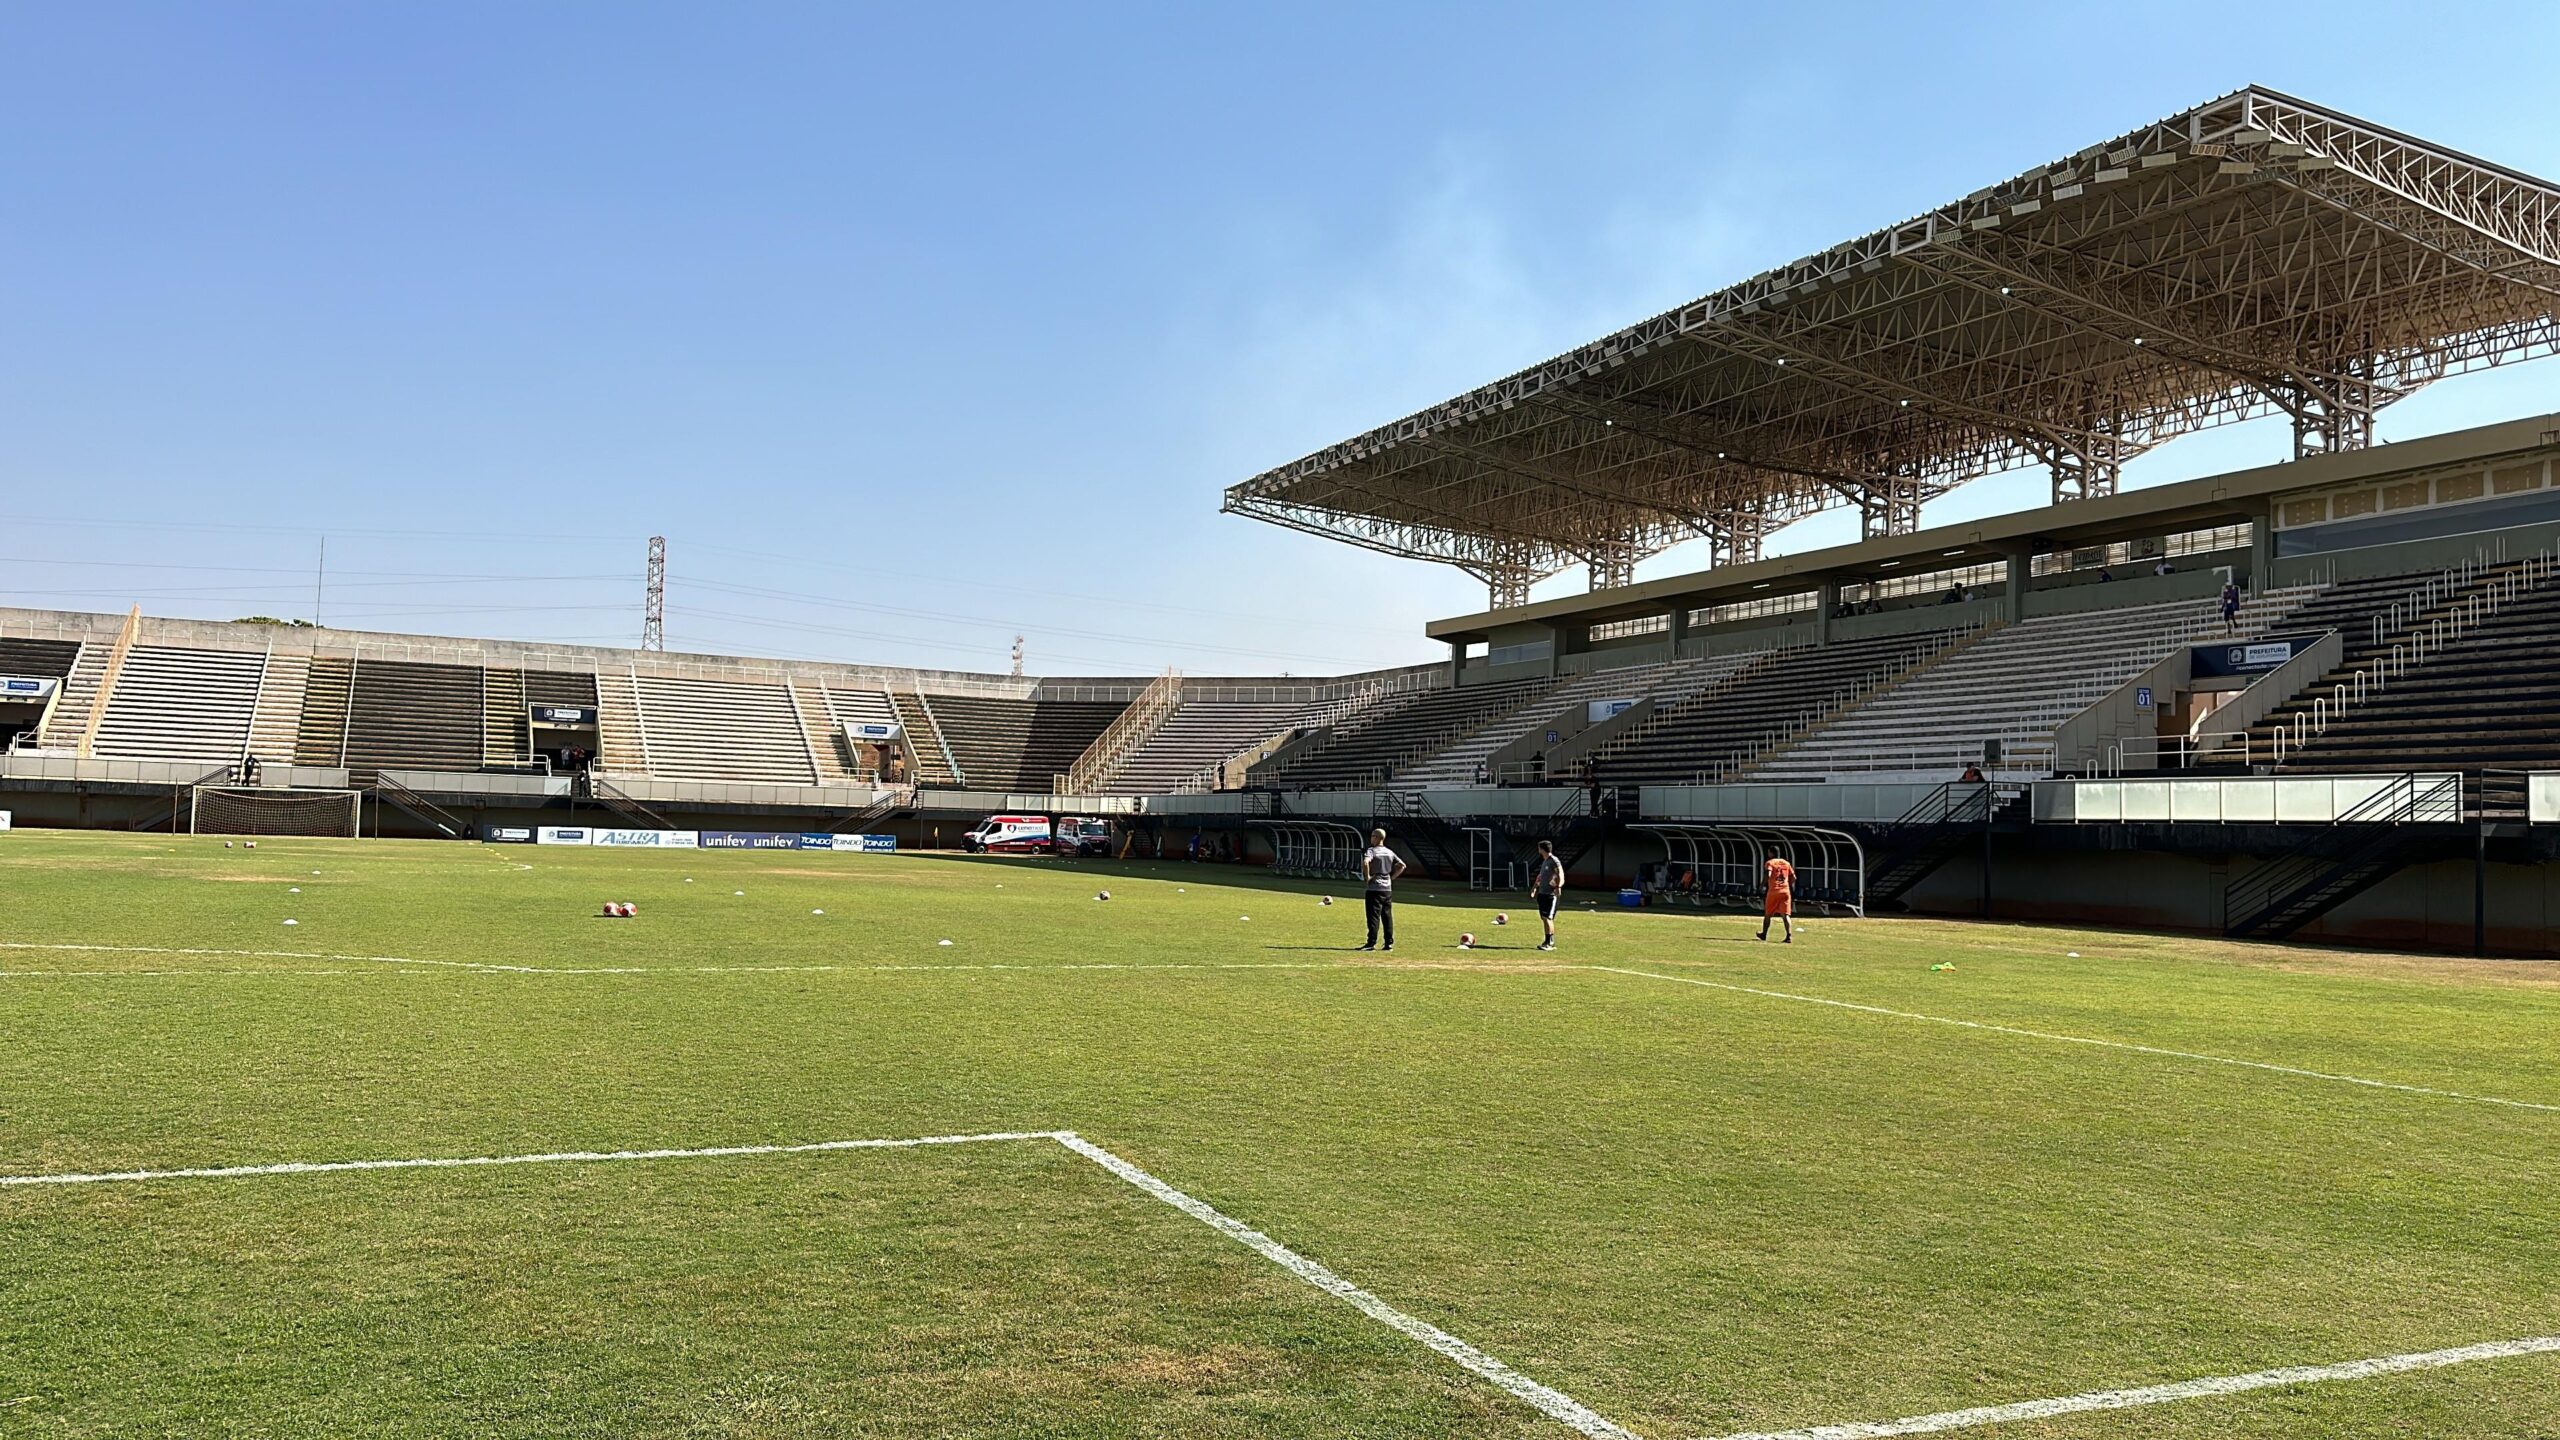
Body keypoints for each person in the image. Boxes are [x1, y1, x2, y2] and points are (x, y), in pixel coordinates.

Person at [1358, 829, 1405, 952]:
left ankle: (1371, 943)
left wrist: (1367, 877)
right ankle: (1388, 943)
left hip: (1374, 888)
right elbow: (1402, 865)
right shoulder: (1389, 852)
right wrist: (1391, 878)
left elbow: (1366, 862)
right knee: (1387, 916)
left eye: (1373, 836)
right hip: (1387, 889)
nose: (1371, 838)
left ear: (1378, 838)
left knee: (1373, 916)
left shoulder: (1371, 851)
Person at [1530, 839, 1565, 952]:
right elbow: (1540, 877)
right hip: (1542, 893)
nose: (1538, 850)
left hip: (1550, 894)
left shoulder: (1554, 860)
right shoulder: (1545, 861)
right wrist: (1534, 888)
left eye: (1539, 848)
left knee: (1548, 918)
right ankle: (1547, 940)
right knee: (1544, 918)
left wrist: (1558, 886)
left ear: (1542, 849)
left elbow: (1560, 874)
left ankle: (1550, 942)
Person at [1757, 853, 1796, 943]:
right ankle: (1789, 936)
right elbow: (1793, 877)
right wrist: (1787, 885)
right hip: (1785, 891)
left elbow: (1769, 874)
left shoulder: (1770, 863)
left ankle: (1764, 934)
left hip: (1774, 891)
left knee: (1768, 914)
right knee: (1785, 915)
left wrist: (1762, 885)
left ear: (1770, 853)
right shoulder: (1786, 863)